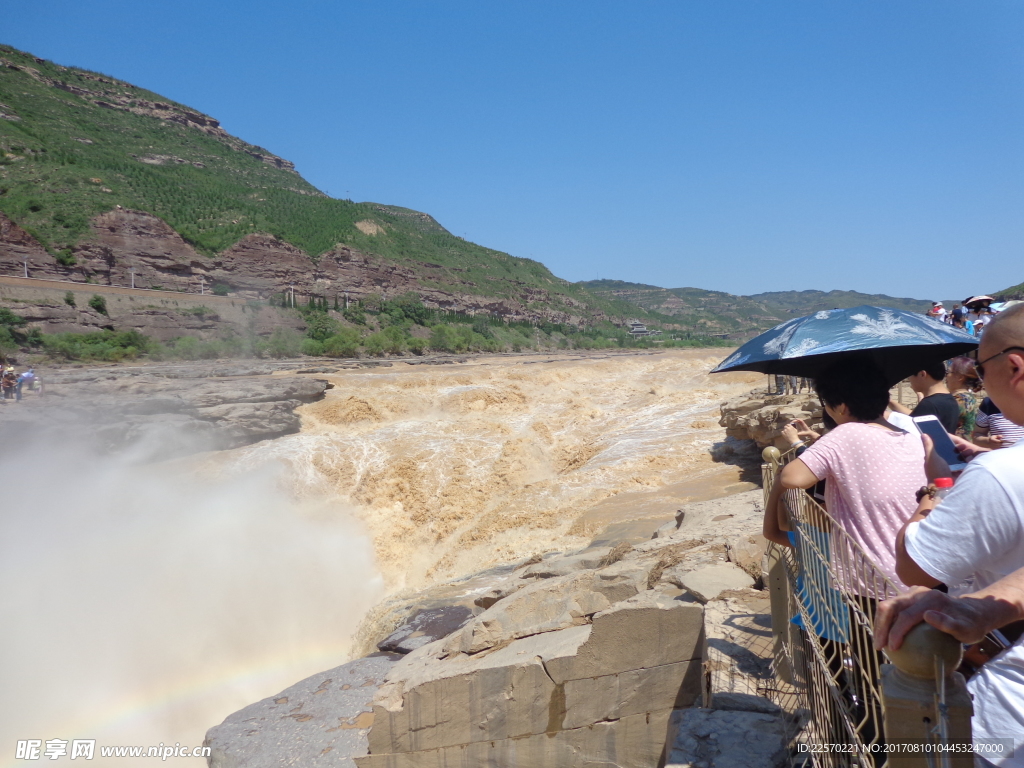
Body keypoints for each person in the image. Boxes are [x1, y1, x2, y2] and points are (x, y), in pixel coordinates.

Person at [886, 302, 1024, 765]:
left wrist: (930, 495)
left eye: (982, 371)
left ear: (1014, 366)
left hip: (1006, 712)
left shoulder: (1003, 473)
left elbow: (916, 567)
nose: (981, 383)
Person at [772, 356, 926, 594]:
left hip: (876, 580)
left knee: (868, 631)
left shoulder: (846, 432)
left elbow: (791, 478)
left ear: (841, 406)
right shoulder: (908, 434)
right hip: (923, 568)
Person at [888, 361, 961, 434]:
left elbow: (911, 433)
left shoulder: (929, 404)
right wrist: (888, 401)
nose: (910, 380)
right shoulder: (950, 399)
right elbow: (914, 417)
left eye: (910, 375)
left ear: (922, 374)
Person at [946, 356, 982, 439]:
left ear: (960, 377)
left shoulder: (961, 399)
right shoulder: (967, 397)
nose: (946, 376)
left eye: (949, 372)